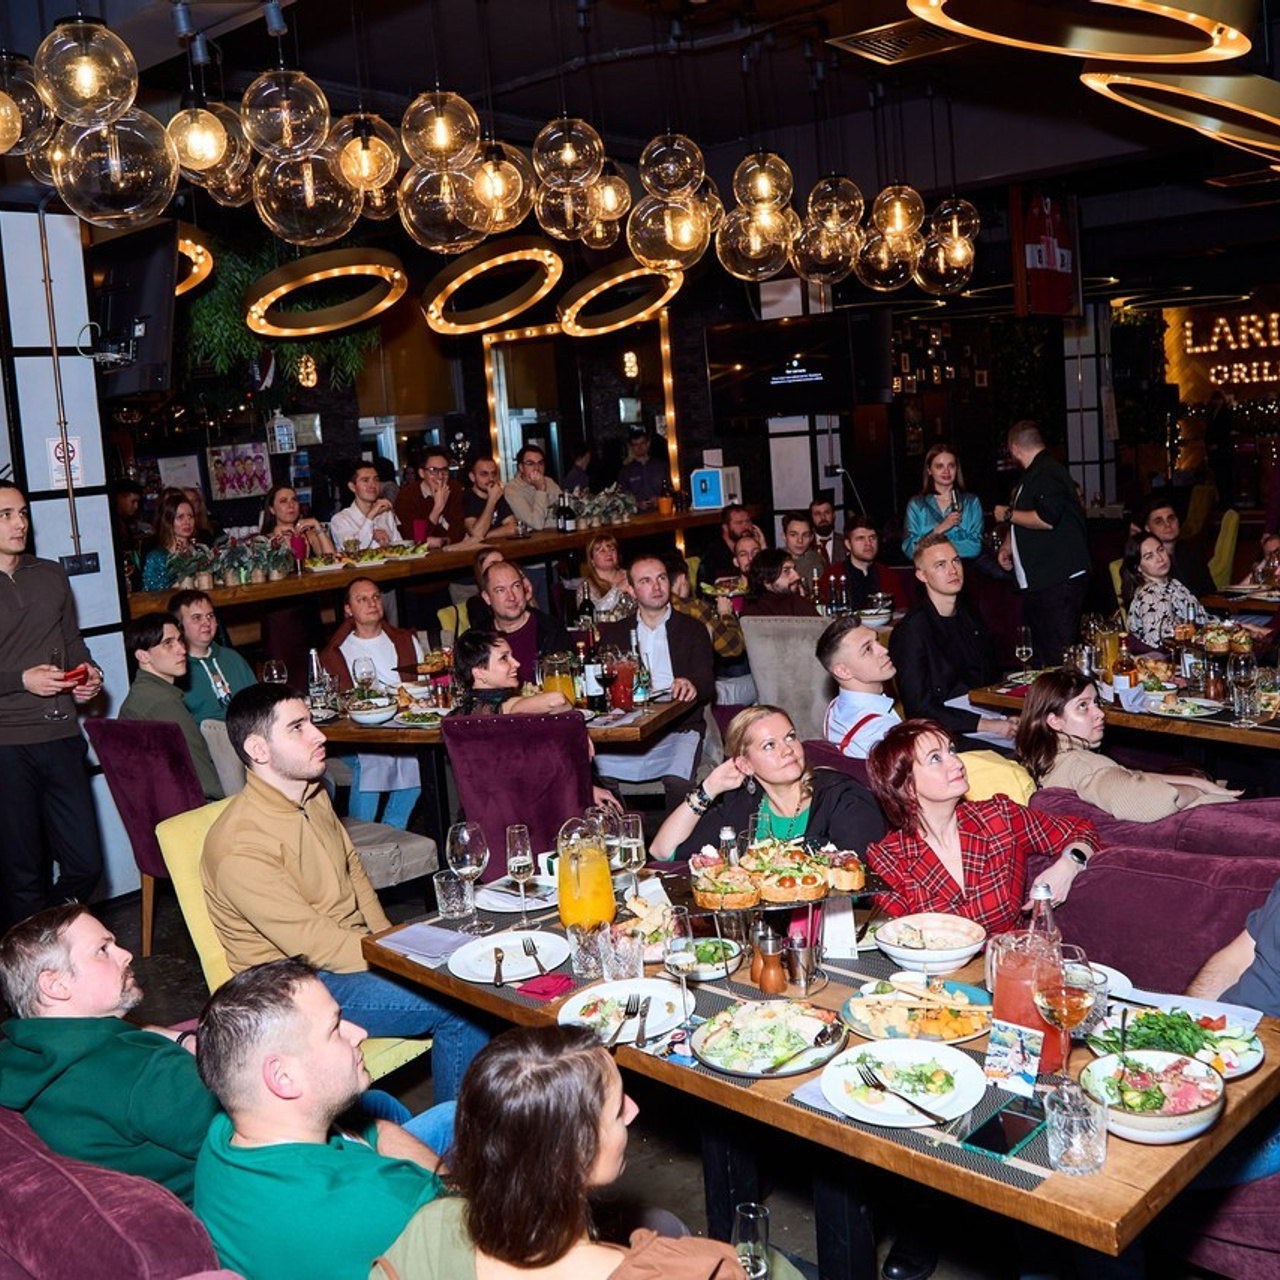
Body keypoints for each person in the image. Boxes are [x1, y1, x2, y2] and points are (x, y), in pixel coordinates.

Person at [201, 684, 488, 1097]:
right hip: (291, 988)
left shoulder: (310, 792)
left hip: (344, 954)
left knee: (474, 953)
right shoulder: (239, 846)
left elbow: (352, 869)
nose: (318, 734)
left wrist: (389, 936)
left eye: (311, 722)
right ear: (258, 750)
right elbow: (311, 944)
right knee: (463, 1002)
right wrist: (402, 957)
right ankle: (459, 1151)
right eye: (298, 728)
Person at [372, 1025, 746, 1280]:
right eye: (617, 1110)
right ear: (573, 1157)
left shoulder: (431, 1225)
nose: (633, 1111)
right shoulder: (679, 1271)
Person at [194, 957, 452, 1280]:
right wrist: (445, 1188)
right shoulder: (387, 1200)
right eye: (335, 1028)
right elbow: (477, 1236)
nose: (359, 1032)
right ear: (282, 1076)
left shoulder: (223, 1135)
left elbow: (372, 1130)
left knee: (433, 1112)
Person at [0, 904, 217, 1205]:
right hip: (214, 1217)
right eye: (102, 950)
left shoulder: (17, 1061)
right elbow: (260, 1141)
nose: (126, 954)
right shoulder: (147, 1070)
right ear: (55, 985)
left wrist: (178, 1038)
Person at [864, 719, 1098, 934]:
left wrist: (1068, 866)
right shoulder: (889, 858)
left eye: (952, 751)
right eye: (936, 758)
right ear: (907, 787)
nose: (957, 762)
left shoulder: (998, 817)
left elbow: (1082, 830)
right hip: (934, 974)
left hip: (1010, 966)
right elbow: (900, 939)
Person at [0, 481, 104, 931]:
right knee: (23, 874)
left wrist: (88, 673)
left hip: (61, 735)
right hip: (6, 745)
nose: (20, 523)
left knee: (86, 862)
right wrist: (19, 680)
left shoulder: (49, 574)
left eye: (22, 513)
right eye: (5, 514)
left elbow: (71, 641)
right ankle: (37, 976)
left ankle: (46, 933)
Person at [650, 705, 885, 860]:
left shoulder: (841, 796)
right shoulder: (741, 804)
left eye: (790, 737)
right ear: (745, 765)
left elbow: (857, 877)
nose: (787, 750)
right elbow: (661, 850)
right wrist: (709, 788)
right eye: (769, 745)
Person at [1014, 668, 1240, 819]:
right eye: (1083, 706)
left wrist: (1199, 782)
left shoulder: (1048, 757)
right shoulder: (1082, 763)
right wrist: (1193, 792)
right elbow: (1145, 801)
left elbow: (1121, 775)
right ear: (1054, 720)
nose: (1100, 713)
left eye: (1096, 703)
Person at [597, 554, 714, 811]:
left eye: (661, 578)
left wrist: (691, 683)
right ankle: (627, 830)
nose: (657, 587)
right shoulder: (615, 633)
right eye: (646, 581)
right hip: (629, 730)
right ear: (631, 589)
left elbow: (707, 685)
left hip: (679, 726)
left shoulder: (692, 629)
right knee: (596, 775)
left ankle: (674, 848)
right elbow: (601, 684)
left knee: (678, 783)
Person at [889, 534, 1012, 748]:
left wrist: (1008, 714)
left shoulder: (970, 616)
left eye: (956, 561)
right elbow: (919, 708)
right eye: (940, 565)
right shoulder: (911, 631)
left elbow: (990, 679)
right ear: (921, 575)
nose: (953, 570)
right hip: (945, 734)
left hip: (984, 717)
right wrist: (987, 725)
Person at [320, 577, 422, 828]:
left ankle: (390, 832)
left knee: (415, 763)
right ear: (348, 609)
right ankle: (360, 839)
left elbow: (421, 686)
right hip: (356, 736)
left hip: (401, 728)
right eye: (362, 599)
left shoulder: (405, 640)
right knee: (374, 759)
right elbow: (333, 702)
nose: (372, 603)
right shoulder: (336, 652)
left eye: (375, 597)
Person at [994, 421, 1091, 666]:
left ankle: (1063, 702)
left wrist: (1006, 515)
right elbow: (1027, 515)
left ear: (1014, 448)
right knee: (1045, 651)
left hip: (1058, 577)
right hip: (1045, 578)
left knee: (1058, 654)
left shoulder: (1046, 472)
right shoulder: (1036, 474)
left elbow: (1047, 518)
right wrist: (1008, 544)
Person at [119, 611, 223, 801]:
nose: (182, 650)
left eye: (180, 640)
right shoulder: (162, 702)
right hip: (193, 813)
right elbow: (203, 778)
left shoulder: (141, 695)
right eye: (168, 644)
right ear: (143, 656)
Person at [168, 589, 256, 725]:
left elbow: (258, 702)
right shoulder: (176, 669)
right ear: (179, 627)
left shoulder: (232, 658)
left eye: (210, 616)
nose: (206, 623)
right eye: (197, 618)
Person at [818, 615, 902, 759]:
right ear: (843, 671)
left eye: (877, 640)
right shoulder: (879, 731)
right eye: (868, 649)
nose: (883, 650)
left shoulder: (835, 707)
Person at [479, 559, 570, 676]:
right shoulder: (477, 641)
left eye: (516, 586)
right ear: (487, 597)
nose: (511, 597)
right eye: (501, 590)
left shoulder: (552, 631)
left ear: (525, 589)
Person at [451, 630, 573, 717]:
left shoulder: (454, 717)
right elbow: (558, 699)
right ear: (479, 673)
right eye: (504, 658)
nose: (516, 663)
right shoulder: (507, 708)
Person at [1123, 533, 1208, 647]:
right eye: (1149, 556)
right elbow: (1158, 642)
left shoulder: (1172, 583)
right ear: (1138, 567)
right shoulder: (1151, 595)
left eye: (1160, 550)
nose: (1160, 558)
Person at [902, 445, 985, 561]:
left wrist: (929, 544)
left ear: (957, 469)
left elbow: (975, 547)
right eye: (939, 466)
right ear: (929, 470)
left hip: (966, 571)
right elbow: (910, 549)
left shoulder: (971, 502)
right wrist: (940, 529)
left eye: (951, 466)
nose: (946, 471)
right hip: (929, 573)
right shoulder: (917, 504)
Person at [821, 513, 912, 614]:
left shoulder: (888, 575)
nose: (868, 543)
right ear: (848, 544)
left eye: (872, 537)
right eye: (860, 538)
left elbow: (903, 611)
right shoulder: (833, 576)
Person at [1141, 498, 1217, 599]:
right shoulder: (1148, 562)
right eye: (1159, 522)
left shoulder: (1192, 553)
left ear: (1178, 522)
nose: (1167, 525)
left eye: (1171, 519)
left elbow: (1210, 592)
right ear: (1148, 528)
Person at [393, 447, 467, 547]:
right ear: (422, 473)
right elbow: (417, 538)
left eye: (444, 470)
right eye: (433, 470)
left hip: (454, 550)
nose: (440, 476)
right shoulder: (407, 496)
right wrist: (437, 508)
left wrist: (442, 541)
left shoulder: (455, 489)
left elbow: (459, 531)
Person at [331, 460, 402, 551]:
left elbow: (400, 546)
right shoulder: (340, 519)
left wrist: (388, 544)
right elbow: (353, 550)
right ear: (352, 487)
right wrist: (370, 517)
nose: (373, 485)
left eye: (376, 480)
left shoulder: (386, 513)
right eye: (365, 480)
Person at [141, 488, 202, 592]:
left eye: (190, 516)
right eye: (180, 517)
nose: (187, 522)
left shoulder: (200, 553)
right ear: (168, 521)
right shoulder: (156, 557)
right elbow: (150, 591)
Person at [261, 484, 335, 557]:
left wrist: (317, 525)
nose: (291, 505)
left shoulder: (309, 535)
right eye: (283, 501)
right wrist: (278, 534)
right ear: (272, 509)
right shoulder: (263, 541)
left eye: (294, 500)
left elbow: (333, 561)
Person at [740, 549, 818, 618]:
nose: (797, 576)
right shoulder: (753, 613)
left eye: (794, 569)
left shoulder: (799, 603)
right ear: (767, 581)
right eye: (786, 571)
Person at [503, 443, 562, 531]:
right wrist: (541, 489)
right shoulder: (511, 490)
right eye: (530, 463)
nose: (537, 468)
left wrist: (545, 521)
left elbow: (568, 514)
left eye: (540, 463)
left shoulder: (549, 481)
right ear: (521, 467)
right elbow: (537, 524)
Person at [697, 504, 757, 588]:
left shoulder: (754, 549)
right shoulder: (714, 555)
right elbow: (705, 588)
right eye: (739, 523)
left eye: (747, 521)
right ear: (725, 527)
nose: (745, 526)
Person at [460, 455, 517, 541]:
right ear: (472, 477)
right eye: (484, 474)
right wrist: (492, 500)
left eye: (493, 474)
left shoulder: (497, 494)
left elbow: (513, 528)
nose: (491, 479)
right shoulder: (466, 498)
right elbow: (476, 533)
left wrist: (485, 536)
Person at [582, 533, 635, 618]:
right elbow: (594, 614)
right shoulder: (586, 587)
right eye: (602, 551)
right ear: (592, 559)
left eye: (612, 549)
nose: (609, 553)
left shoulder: (631, 575)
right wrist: (617, 590)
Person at [617, 427, 667, 509]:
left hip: (661, 513)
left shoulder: (661, 465)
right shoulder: (625, 471)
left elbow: (670, 490)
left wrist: (660, 499)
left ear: (648, 444)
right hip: (637, 517)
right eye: (636, 445)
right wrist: (637, 504)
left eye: (642, 443)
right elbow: (621, 498)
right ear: (631, 447)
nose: (639, 447)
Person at [781, 511, 824, 583]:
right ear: (784, 537)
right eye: (793, 535)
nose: (800, 540)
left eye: (805, 535)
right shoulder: (775, 563)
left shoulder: (817, 561)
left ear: (811, 538)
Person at [809, 494, 839, 566]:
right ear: (811, 518)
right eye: (817, 514)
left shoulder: (846, 543)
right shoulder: (806, 545)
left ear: (834, 515)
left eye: (827, 513)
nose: (823, 518)